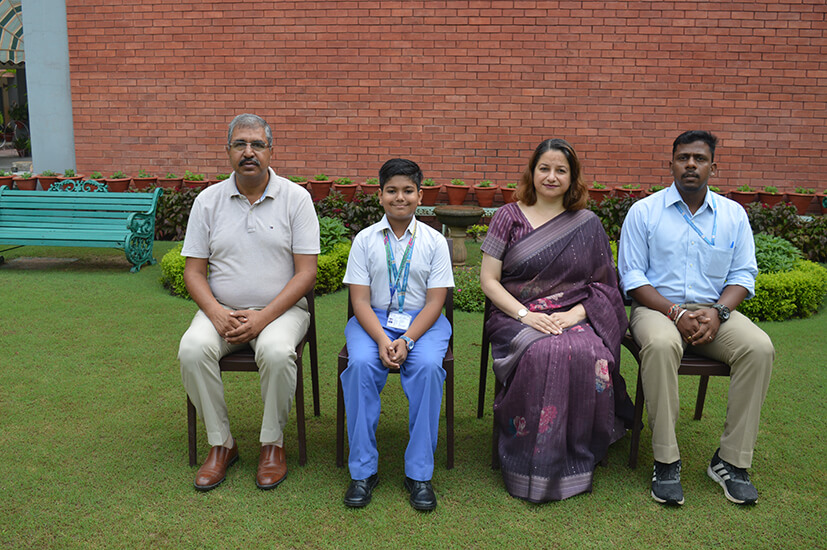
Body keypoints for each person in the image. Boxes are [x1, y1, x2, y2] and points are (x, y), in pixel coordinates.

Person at [618, 130, 774, 506]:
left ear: (713, 167)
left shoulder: (733, 214)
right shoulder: (645, 211)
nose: (690, 165)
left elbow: (743, 275)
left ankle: (730, 462)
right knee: (659, 343)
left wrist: (718, 312)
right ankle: (666, 460)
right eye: (683, 157)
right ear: (671, 163)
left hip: (714, 312)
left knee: (759, 348)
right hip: (657, 309)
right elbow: (632, 276)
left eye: (699, 159)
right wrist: (674, 311)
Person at [479, 138, 633, 503]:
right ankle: (526, 456)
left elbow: (604, 286)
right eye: (544, 168)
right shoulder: (508, 217)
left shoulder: (587, 223)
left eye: (560, 170)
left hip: (574, 312)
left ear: (572, 177)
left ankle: (576, 450)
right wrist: (527, 316)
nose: (551, 176)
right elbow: (489, 280)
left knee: (586, 350)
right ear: (532, 172)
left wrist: (572, 316)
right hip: (515, 314)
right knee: (539, 353)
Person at [178, 113, 320, 492]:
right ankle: (221, 444)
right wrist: (216, 312)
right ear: (228, 152)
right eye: (240, 144)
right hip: (221, 311)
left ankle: (272, 444)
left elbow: (306, 273)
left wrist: (262, 318)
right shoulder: (208, 202)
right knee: (192, 349)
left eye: (257, 144)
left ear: (271, 150)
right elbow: (194, 272)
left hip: (282, 312)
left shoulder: (296, 198)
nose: (249, 152)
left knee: (275, 353)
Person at [340, 158, 454, 511]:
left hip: (423, 322)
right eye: (392, 190)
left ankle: (418, 473)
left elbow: (437, 301)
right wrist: (380, 339)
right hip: (372, 320)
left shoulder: (435, 241)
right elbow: (358, 300)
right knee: (359, 365)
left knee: (429, 369)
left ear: (420, 196)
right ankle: (363, 471)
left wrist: (407, 340)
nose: (400, 197)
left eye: (408, 191)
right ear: (380, 196)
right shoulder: (365, 240)